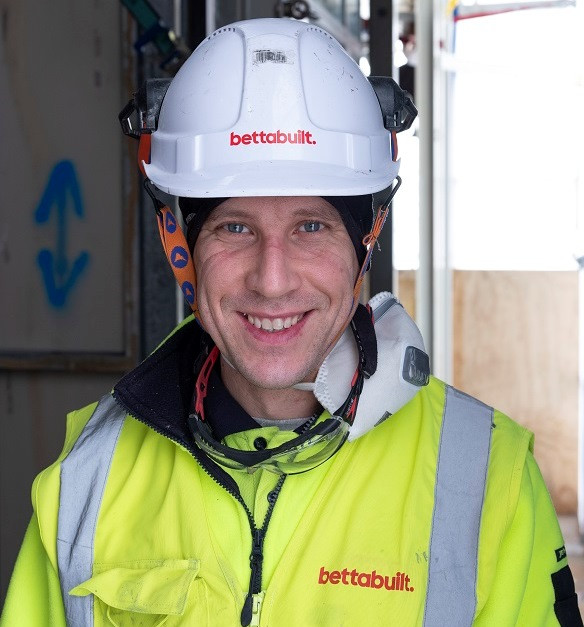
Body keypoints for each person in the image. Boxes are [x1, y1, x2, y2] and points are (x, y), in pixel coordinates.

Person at [1, 17, 581, 627]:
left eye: (311, 226)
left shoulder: (489, 478)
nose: (272, 281)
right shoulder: (91, 474)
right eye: (233, 227)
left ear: (367, 238)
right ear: (180, 245)